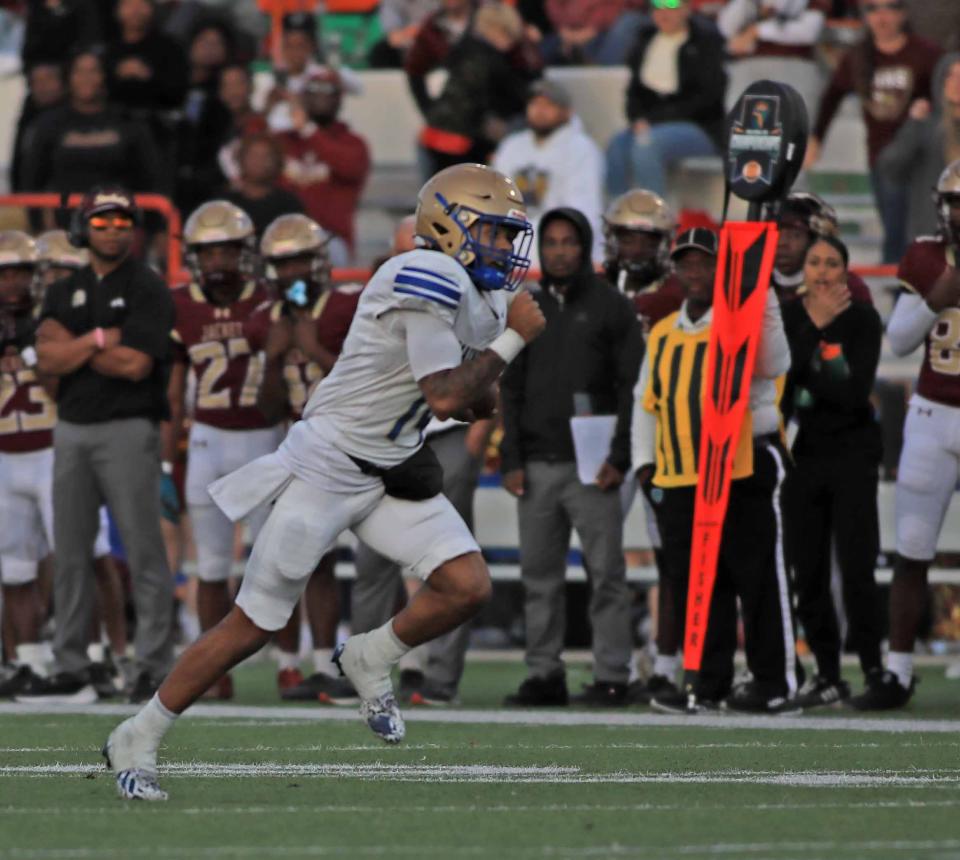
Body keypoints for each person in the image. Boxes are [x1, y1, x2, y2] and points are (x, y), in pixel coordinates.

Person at [103, 163, 545, 801]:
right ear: (452, 227)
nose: (506, 249)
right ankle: (138, 734)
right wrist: (512, 343)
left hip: (391, 464)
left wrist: (486, 375)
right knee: (252, 623)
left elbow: (462, 397)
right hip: (329, 466)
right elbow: (446, 396)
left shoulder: (479, 291)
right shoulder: (422, 274)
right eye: (497, 233)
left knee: (466, 586)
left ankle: (369, 655)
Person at [632, 228, 798, 714]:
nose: (695, 273)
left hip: (743, 464)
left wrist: (760, 290)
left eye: (705, 263)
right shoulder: (663, 332)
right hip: (681, 475)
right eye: (687, 264)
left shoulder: (743, 320)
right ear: (676, 270)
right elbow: (646, 402)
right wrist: (647, 468)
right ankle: (708, 682)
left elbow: (776, 362)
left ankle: (774, 681)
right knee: (697, 583)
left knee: (758, 577)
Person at [31, 187, 175, 704]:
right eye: (102, 221)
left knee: (142, 550)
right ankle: (71, 663)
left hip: (128, 425)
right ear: (83, 227)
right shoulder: (62, 289)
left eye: (121, 221)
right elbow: (44, 362)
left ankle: (155, 663)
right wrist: (98, 341)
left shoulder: (148, 287)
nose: (113, 230)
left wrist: (71, 347)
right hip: (70, 427)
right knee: (68, 552)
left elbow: (136, 365)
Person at [500, 207, 644, 707]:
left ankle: (612, 675)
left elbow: (631, 389)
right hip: (536, 465)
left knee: (607, 575)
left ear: (585, 247)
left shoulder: (611, 307)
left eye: (569, 241)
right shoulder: (526, 306)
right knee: (539, 579)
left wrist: (621, 456)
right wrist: (511, 457)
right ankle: (544, 674)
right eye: (552, 242)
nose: (560, 251)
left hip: (594, 467)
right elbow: (510, 388)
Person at [350, 215, 493, 707]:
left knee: (452, 562)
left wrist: (478, 436)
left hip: (444, 435)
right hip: (386, 439)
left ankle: (438, 678)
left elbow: (484, 375)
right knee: (372, 561)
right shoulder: (381, 299)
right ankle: (367, 669)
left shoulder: (466, 296)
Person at [163, 200, 284, 700]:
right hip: (209, 439)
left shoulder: (273, 295)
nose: (217, 263)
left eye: (227, 251)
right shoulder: (178, 303)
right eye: (207, 252)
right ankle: (214, 670)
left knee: (277, 562)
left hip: (264, 438)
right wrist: (169, 458)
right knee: (210, 566)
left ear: (246, 252)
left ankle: (293, 664)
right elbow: (173, 391)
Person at [248, 213, 361, 704]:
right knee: (302, 560)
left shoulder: (345, 308)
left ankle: (392, 663)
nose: (292, 271)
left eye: (299, 259)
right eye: (283, 262)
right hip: (301, 447)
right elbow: (268, 407)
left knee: (378, 562)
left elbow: (364, 383)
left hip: (356, 444)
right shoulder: (264, 321)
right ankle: (304, 665)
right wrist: (274, 359)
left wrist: (313, 348)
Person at [781, 235, 884, 709]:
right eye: (814, 262)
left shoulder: (863, 318)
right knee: (809, 570)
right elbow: (781, 388)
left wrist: (810, 370)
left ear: (846, 271)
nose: (822, 271)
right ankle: (825, 672)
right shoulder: (787, 316)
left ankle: (873, 668)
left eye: (832, 263)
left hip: (853, 454)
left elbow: (852, 393)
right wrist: (815, 332)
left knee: (858, 565)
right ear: (802, 270)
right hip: (804, 457)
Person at [872, 159, 960, 709]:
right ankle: (899, 670)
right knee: (911, 550)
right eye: (956, 201)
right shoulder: (927, 256)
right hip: (931, 414)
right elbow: (900, 340)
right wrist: (944, 288)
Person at [599, 188, 684, 704]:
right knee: (601, 554)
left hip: (662, 429)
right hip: (605, 429)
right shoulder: (592, 289)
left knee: (671, 549)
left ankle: (668, 659)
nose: (632, 246)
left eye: (643, 236)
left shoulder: (679, 292)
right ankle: (615, 662)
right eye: (625, 234)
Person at [807, 0, 942, 263]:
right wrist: (816, 138)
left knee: (906, 230)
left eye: (889, 7)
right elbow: (831, 96)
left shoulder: (926, 54)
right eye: (872, 8)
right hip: (880, 158)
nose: (881, 16)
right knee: (893, 224)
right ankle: (898, 277)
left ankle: (900, 277)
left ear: (902, 13)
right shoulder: (857, 57)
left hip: (918, 159)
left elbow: (946, 90)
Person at [605, 0, 727, 198]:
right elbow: (633, 94)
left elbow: (708, 98)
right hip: (648, 125)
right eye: (657, 7)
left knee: (647, 145)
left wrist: (654, 122)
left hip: (699, 127)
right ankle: (619, 215)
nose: (664, 13)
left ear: (686, 9)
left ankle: (654, 219)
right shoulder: (645, 41)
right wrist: (637, 120)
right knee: (617, 146)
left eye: (671, 6)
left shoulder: (705, 43)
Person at [20, 49, 163, 205]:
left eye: (93, 71)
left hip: (116, 222)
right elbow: (32, 182)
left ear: (104, 76)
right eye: (79, 72)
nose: (85, 79)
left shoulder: (128, 123)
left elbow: (152, 179)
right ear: (68, 78)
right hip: (63, 222)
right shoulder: (49, 124)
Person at [418, 2, 540, 177]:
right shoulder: (489, 59)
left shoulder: (462, 49)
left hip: (435, 133)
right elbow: (508, 97)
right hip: (462, 139)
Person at [492, 79, 605, 266]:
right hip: (512, 243)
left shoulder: (582, 149)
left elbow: (582, 214)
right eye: (535, 104)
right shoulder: (511, 146)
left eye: (549, 105)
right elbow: (495, 202)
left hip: (559, 250)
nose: (540, 110)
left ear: (567, 112)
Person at [278, 67, 371, 266]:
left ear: (340, 99)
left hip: (331, 239)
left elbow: (350, 168)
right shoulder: (282, 141)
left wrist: (309, 131)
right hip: (283, 237)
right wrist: (270, 109)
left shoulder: (353, 143)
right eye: (313, 91)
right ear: (303, 98)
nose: (321, 97)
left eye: (329, 91)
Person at [876, 53, 960, 245]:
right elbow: (891, 169)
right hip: (931, 240)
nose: (957, 83)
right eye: (951, 76)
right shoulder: (925, 127)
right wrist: (913, 125)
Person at [717, 0, 827, 117]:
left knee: (793, 120)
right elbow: (726, 29)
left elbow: (809, 32)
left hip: (793, 65)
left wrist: (757, 31)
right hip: (747, 66)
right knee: (740, 120)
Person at [601, 189, 683, 328]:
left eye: (649, 243)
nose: (637, 250)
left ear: (665, 244)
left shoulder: (678, 293)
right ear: (612, 240)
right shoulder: (593, 288)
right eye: (628, 240)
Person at [773, 193, 874, 305]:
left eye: (795, 235)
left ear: (818, 240)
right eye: (776, 234)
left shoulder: (848, 288)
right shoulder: (754, 282)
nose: (781, 243)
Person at [222, 133, 304, 238]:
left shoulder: (290, 205)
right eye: (253, 155)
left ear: (277, 162)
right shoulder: (225, 204)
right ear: (241, 159)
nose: (259, 162)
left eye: (266, 156)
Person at [10, 61, 65, 193]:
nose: (42, 86)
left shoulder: (72, 121)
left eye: (48, 79)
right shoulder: (28, 121)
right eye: (36, 81)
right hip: (30, 199)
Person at [538, 0, 646, 66]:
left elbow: (628, 6)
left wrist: (593, 28)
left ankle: (604, 80)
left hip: (607, 29)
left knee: (626, 25)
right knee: (544, 50)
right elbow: (554, 5)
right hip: (568, 30)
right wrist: (565, 31)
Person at [368, 0, 441, 69]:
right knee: (381, 51)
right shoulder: (390, 2)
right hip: (405, 48)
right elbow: (394, 38)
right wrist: (416, 32)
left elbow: (441, 27)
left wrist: (417, 32)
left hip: (432, 43)